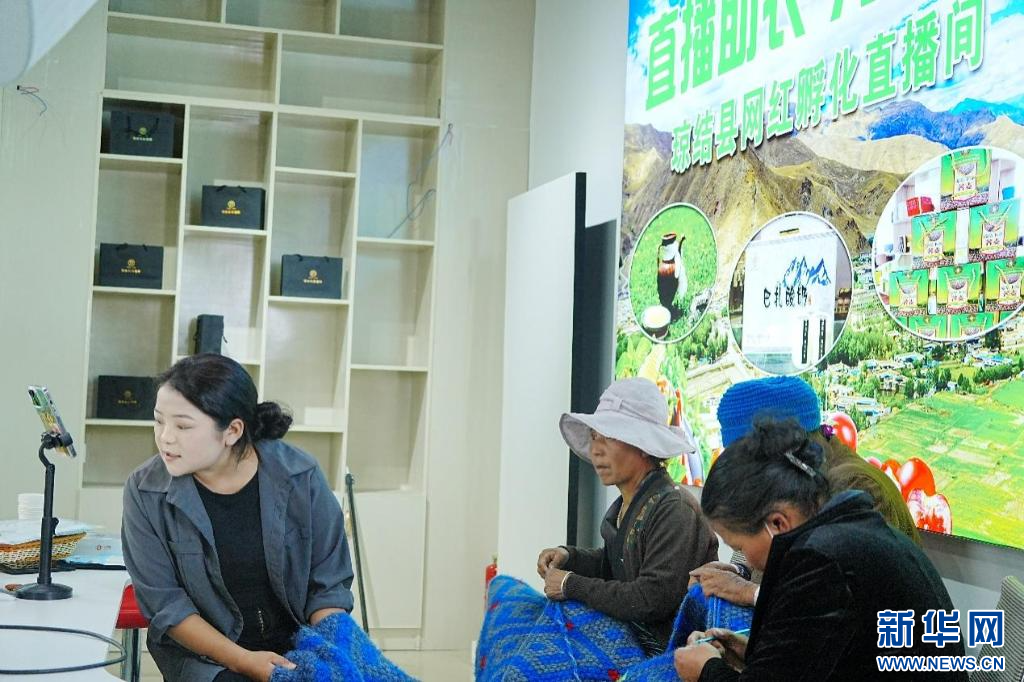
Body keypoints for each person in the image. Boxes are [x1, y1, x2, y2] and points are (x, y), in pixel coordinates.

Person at [674, 419, 967, 681]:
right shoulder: (848, 526)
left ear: (777, 523)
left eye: (739, 546)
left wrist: (707, 671)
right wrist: (753, 655)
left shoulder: (821, 562)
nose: (745, 559)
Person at [122, 354, 354, 682]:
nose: (165, 437)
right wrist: (244, 661)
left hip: (298, 645)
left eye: (183, 426)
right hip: (208, 659)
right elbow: (166, 606)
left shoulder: (300, 475)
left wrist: (329, 653)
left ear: (232, 431)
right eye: (159, 421)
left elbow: (328, 585)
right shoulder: (145, 491)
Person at [687, 376, 918, 613]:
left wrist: (748, 591)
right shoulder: (801, 478)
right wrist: (737, 572)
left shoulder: (856, 489)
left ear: (777, 447)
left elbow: (836, 600)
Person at [537, 377, 719, 656]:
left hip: (670, 652)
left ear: (643, 446)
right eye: (594, 437)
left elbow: (649, 599)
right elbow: (616, 564)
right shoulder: (629, 504)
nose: (596, 449)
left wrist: (570, 584)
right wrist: (569, 556)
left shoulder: (674, 509)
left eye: (608, 437)